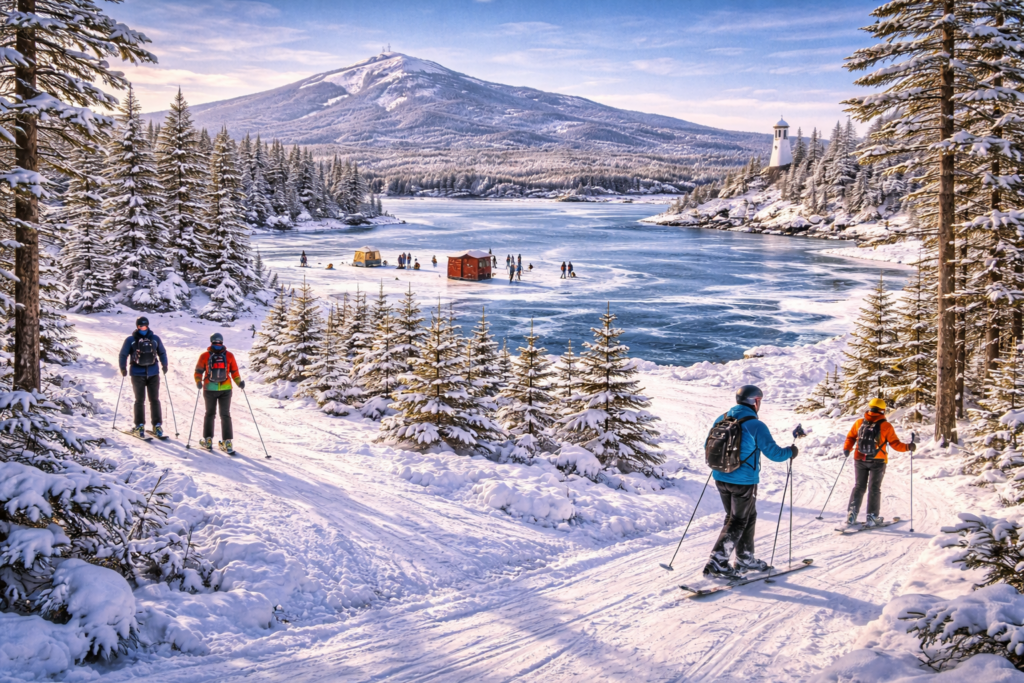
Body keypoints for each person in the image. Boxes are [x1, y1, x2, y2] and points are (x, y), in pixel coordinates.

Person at [704, 385, 797, 578]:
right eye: (759, 401)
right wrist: (791, 451)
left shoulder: (721, 419)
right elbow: (775, 454)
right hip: (743, 481)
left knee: (743, 517)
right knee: (738, 520)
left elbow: (707, 445)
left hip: (720, 477)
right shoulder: (755, 425)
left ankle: (745, 557)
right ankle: (718, 561)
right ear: (755, 401)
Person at [843, 398, 914, 527]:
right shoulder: (885, 426)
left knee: (859, 486)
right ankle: (872, 517)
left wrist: (847, 448)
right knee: (874, 488)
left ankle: (851, 515)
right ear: (882, 410)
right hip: (878, 460)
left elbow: (851, 437)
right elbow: (895, 444)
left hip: (859, 458)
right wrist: (908, 447)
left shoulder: (859, 422)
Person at [194, 332, 245, 454]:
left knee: (210, 414)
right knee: (225, 415)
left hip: (209, 388)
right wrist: (239, 383)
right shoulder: (229, 356)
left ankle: (208, 440)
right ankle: (227, 442)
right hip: (226, 389)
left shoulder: (204, 356)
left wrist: (198, 382)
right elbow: (235, 372)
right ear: (222, 342)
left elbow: (198, 371)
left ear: (211, 342)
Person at [118, 317, 169, 438]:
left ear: (148, 326)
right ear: (137, 326)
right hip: (137, 374)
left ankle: (157, 425)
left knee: (154, 400)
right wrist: (123, 368)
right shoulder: (130, 340)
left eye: (145, 326)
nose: (143, 328)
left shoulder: (155, 339)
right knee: (139, 400)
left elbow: (162, 352)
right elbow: (123, 354)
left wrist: (164, 364)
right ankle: (139, 425)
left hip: (153, 373)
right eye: (141, 326)